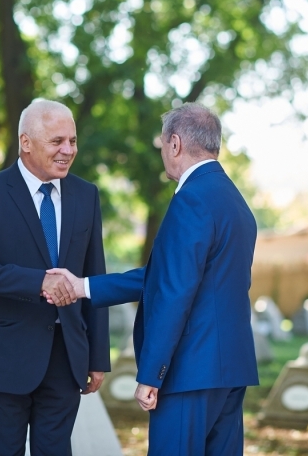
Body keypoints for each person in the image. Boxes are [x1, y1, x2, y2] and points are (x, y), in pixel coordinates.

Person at [48, 103, 259, 455]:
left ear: (175, 144)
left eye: (162, 145)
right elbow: (168, 275)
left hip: (188, 371)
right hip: (231, 371)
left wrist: (151, 374)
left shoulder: (191, 200)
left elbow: (174, 293)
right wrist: (84, 286)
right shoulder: (235, 201)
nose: (162, 152)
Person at [0, 99, 110, 455]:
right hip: (2, 358)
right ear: (26, 142)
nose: (68, 150)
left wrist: (98, 356)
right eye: (57, 141)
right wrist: (38, 282)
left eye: (72, 141)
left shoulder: (87, 195)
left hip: (67, 357)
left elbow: (94, 273)